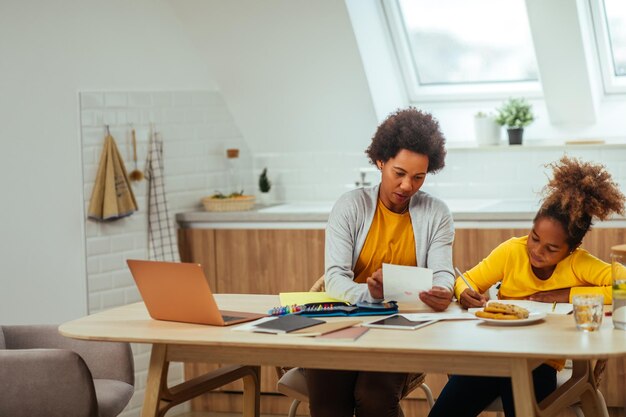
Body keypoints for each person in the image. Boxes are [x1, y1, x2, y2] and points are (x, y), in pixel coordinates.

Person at [428, 156, 626, 417]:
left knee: (520, 400)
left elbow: (623, 283)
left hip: (541, 362)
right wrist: (464, 292)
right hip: (495, 356)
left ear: (571, 249)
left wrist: (567, 294)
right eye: (534, 238)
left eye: (551, 248)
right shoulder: (512, 251)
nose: (537, 251)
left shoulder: (579, 263)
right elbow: (465, 279)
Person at [305, 107, 455, 417]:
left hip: (402, 330)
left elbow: (443, 275)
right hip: (345, 323)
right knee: (328, 398)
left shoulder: (437, 213)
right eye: (398, 173)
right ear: (380, 161)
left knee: (373, 397)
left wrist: (443, 290)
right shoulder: (350, 206)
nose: (407, 186)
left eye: (418, 177)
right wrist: (370, 295)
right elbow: (334, 279)